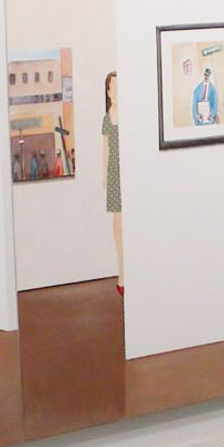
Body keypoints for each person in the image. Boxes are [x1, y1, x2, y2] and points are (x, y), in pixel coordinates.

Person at [102, 72, 124, 295]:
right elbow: (106, 149)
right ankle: (122, 273)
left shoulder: (130, 116)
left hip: (130, 173)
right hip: (115, 174)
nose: (117, 92)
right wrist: (105, 176)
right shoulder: (108, 118)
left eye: (120, 88)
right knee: (119, 220)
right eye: (113, 88)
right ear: (108, 92)